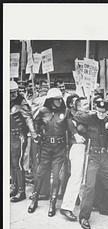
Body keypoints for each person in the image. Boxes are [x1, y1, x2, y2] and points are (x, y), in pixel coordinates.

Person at [73, 98, 108, 229]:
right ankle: (84, 217)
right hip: (92, 156)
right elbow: (75, 115)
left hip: (104, 156)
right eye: (99, 111)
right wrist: (91, 113)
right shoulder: (90, 118)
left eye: (103, 112)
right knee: (89, 186)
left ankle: (105, 208)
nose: (101, 114)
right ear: (96, 109)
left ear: (107, 111)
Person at [28, 88, 68, 217]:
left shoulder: (65, 112)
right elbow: (34, 122)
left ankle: (53, 203)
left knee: (56, 177)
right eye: (56, 99)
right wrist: (37, 135)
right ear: (50, 100)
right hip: (45, 147)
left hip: (60, 148)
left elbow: (70, 127)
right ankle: (34, 199)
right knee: (40, 173)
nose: (59, 101)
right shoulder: (43, 111)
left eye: (60, 99)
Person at [60, 97, 89, 221]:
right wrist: (75, 134)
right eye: (84, 104)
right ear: (77, 107)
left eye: (88, 103)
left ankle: (82, 203)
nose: (88, 105)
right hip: (78, 147)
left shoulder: (87, 115)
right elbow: (69, 121)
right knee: (76, 177)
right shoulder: (75, 117)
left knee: (83, 177)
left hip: (87, 148)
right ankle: (66, 206)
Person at [10, 81, 38, 202]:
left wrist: (33, 133)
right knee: (10, 162)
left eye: (14, 92)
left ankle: (21, 191)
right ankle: (15, 186)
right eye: (10, 93)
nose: (13, 95)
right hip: (9, 135)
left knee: (18, 163)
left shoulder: (22, 102)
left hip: (19, 136)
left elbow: (29, 119)